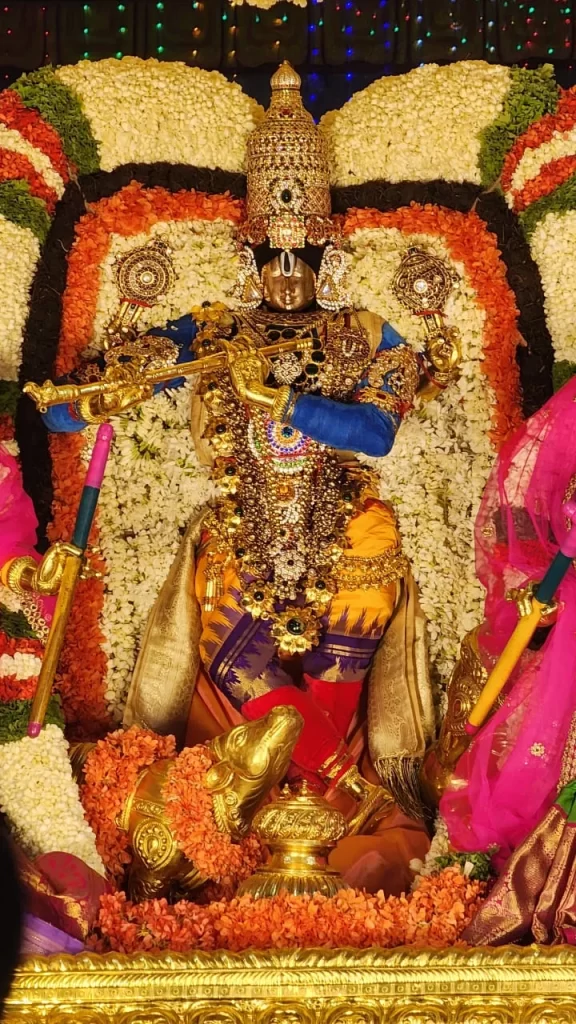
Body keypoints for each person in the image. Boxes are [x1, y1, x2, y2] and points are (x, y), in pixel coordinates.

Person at [4, 63, 436, 840]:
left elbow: (376, 433)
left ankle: (335, 821)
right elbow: (88, 402)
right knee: (241, 673)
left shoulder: (369, 334)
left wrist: (281, 401)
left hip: (350, 534)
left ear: (329, 255)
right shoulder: (215, 332)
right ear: (249, 252)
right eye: (271, 256)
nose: (286, 274)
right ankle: (300, 811)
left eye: (302, 258)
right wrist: (92, 399)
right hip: (242, 531)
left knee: (340, 676)